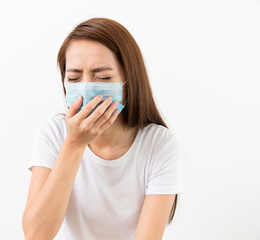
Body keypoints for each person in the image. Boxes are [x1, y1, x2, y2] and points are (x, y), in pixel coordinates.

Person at [22, 17, 186, 240]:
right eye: (74, 77)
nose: (87, 88)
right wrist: (74, 144)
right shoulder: (53, 134)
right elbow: (36, 235)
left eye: (103, 77)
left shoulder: (160, 144)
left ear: (130, 79)